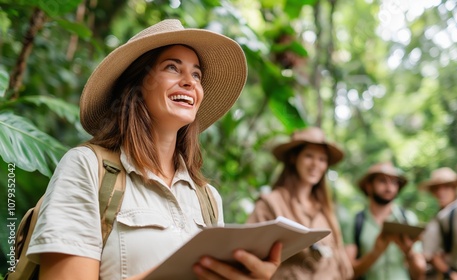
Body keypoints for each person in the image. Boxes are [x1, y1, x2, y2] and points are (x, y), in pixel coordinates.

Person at [25, 19, 282, 280]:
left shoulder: (208, 199)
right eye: (172, 67)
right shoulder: (87, 167)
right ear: (136, 86)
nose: (189, 82)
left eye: (196, 75)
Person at [246, 127, 354, 280]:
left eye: (322, 159)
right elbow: (250, 256)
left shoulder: (326, 212)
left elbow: (343, 265)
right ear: (293, 158)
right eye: (309, 156)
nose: (315, 164)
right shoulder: (271, 203)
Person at [343, 162, 426, 280]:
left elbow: (420, 274)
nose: (389, 187)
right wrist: (376, 252)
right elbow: (347, 273)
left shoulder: (408, 218)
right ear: (368, 186)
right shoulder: (354, 222)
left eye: (394, 182)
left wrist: (409, 253)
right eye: (382, 181)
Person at [418, 167, 457, 279]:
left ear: (455, 188)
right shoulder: (436, 220)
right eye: (436, 189)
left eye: (446, 187)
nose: (440, 192)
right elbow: (430, 255)